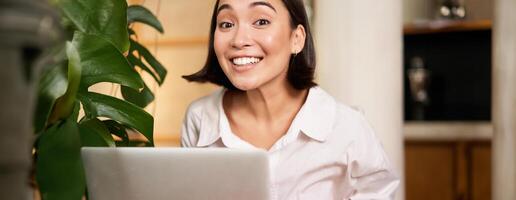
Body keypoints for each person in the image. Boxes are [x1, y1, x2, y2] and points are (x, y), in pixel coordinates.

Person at [181, 0, 399, 199]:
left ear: (297, 39)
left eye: (261, 21)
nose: (238, 40)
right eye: (226, 24)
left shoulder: (346, 127)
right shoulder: (200, 119)